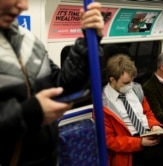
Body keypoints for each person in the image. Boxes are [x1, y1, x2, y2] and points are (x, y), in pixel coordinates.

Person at [0, 1, 104, 165]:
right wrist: (33, 112)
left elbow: (59, 85)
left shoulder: (28, 40)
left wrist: (88, 42)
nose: (24, 6)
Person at [102, 54, 163, 166]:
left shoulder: (136, 91)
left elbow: (148, 114)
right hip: (132, 144)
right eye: (126, 83)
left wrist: (154, 125)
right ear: (112, 79)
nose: (130, 86)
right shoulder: (104, 105)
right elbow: (109, 140)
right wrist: (140, 142)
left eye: (132, 81)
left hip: (149, 132)